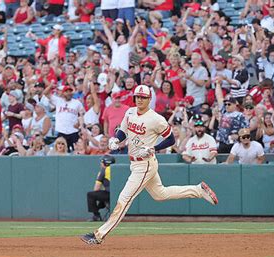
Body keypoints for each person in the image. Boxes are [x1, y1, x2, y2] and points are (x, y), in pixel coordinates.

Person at [81, 85, 219, 245]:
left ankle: (99, 235)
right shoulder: (130, 112)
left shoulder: (156, 118)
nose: (139, 99)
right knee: (160, 194)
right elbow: (123, 130)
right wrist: (116, 139)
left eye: (143, 97)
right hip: (135, 162)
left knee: (124, 198)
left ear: (149, 99)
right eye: (137, 97)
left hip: (145, 164)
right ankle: (197, 190)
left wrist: (154, 148)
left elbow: (170, 139)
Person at [86, 154, 115, 222]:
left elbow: (96, 188)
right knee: (102, 194)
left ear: (105, 163)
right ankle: (98, 209)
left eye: (102, 162)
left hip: (109, 194)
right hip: (120, 194)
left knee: (90, 195)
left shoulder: (104, 170)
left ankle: (96, 215)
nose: (101, 164)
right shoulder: (116, 169)